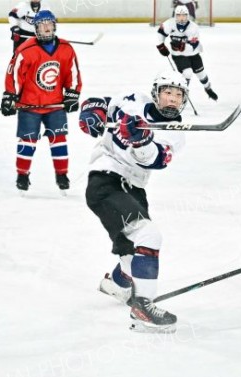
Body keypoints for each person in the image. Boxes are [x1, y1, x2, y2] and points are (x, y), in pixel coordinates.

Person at [78, 70, 190, 333]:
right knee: (148, 236)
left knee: (133, 250)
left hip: (134, 186)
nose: (172, 99)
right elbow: (101, 103)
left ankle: (117, 284)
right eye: (167, 93)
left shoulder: (175, 133)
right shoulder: (132, 100)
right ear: (156, 94)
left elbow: (155, 159)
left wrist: (141, 140)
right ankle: (143, 308)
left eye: (178, 94)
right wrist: (91, 114)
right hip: (106, 179)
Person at [2, 10, 81, 194]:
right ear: (36, 28)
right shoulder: (25, 50)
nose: (46, 27)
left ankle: (61, 175)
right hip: (30, 105)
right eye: (42, 24)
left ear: (54, 26)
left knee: (59, 140)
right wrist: (10, 96)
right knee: (27, 141)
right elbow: (13, 75)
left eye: (49, 24)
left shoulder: (66, 48)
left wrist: (72, 93)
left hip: (55, 105)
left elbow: (73, 73)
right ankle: (22, 175)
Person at [156, 5, 218, 101]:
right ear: (175, 15)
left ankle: (208, 88)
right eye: (179, 15)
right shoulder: (169, 24)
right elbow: (160, 33)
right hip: (178, 56)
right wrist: (161, 45)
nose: (181, 18)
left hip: (193, 54)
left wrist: (182, 46)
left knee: (201, 74)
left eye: (184, 15)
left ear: (188, 16)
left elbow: (193, 45)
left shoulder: (193, 27)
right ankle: (181, 94)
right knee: (187, 72)